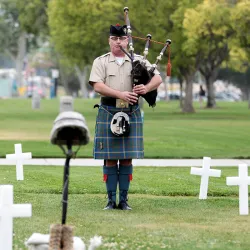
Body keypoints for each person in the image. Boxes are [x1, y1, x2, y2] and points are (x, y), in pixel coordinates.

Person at [89, 24, 162, 210]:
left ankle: (124, 200)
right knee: (110, 158)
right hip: (108, 110)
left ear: (127, 40)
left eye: (121, 38)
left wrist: (146, 88)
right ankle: (110, 200)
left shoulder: (138, 60)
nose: (118, 42)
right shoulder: (101, 61)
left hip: (132, 111)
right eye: (114, 39)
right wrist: (120, 94)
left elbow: (158, 79)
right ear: (109, 40)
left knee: (127, 158)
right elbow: (97, 85)